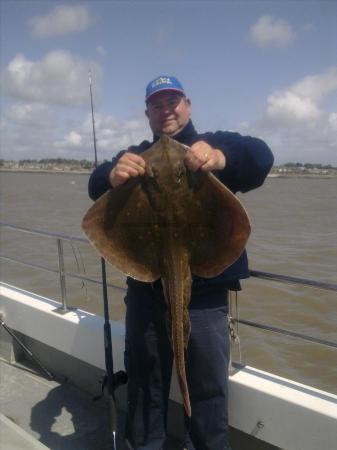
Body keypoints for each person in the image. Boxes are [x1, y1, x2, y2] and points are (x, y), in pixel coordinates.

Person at [88, 75, 274, 450]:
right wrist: (112, 173)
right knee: (145, 381)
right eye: (157, 104)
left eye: (172, 101)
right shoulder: (139, 155)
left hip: (205, 295)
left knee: (206, 387)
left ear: (188, 105)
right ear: (147, 113)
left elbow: (261, 157)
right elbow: (95, 187)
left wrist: (221, 158)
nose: (166, 110)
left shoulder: (213, 145)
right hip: (146, 290)